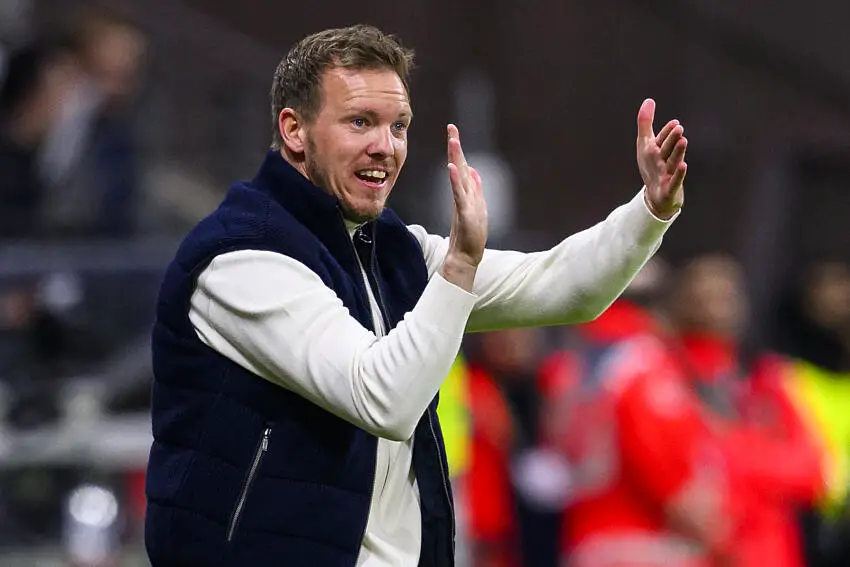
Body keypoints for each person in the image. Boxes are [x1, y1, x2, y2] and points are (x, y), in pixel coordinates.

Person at [144, 24, 688, 567]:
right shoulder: (242, 258)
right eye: (360, 122)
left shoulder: (388, 249)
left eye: (398, 125)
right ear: (294, 130)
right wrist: (459, 266)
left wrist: (650, 210)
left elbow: (562, 288)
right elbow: (382, 398)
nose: (385, 146)